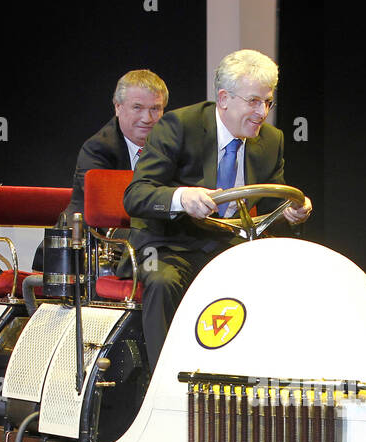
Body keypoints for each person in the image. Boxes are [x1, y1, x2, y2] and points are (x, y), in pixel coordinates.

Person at [123, 48, 313, 365]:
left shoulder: (271, 141)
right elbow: (136, 196)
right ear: (224, 98)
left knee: (288, 278)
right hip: (168, 245)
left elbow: (273, 214)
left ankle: (256, 377)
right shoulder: (178, 126)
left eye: (268, 102)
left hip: (227, 247)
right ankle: (163, 381)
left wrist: (293, 214)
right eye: (254, 101)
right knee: (161, 279)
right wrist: (181, 197)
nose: (262, 112)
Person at [61, 69, 169, 226]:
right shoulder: (98, 149)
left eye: (155, 109)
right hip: (86, 241)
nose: (147, 118)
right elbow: (110, 210)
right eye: (137, 107)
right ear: (118, 107)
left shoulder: (170, 146)